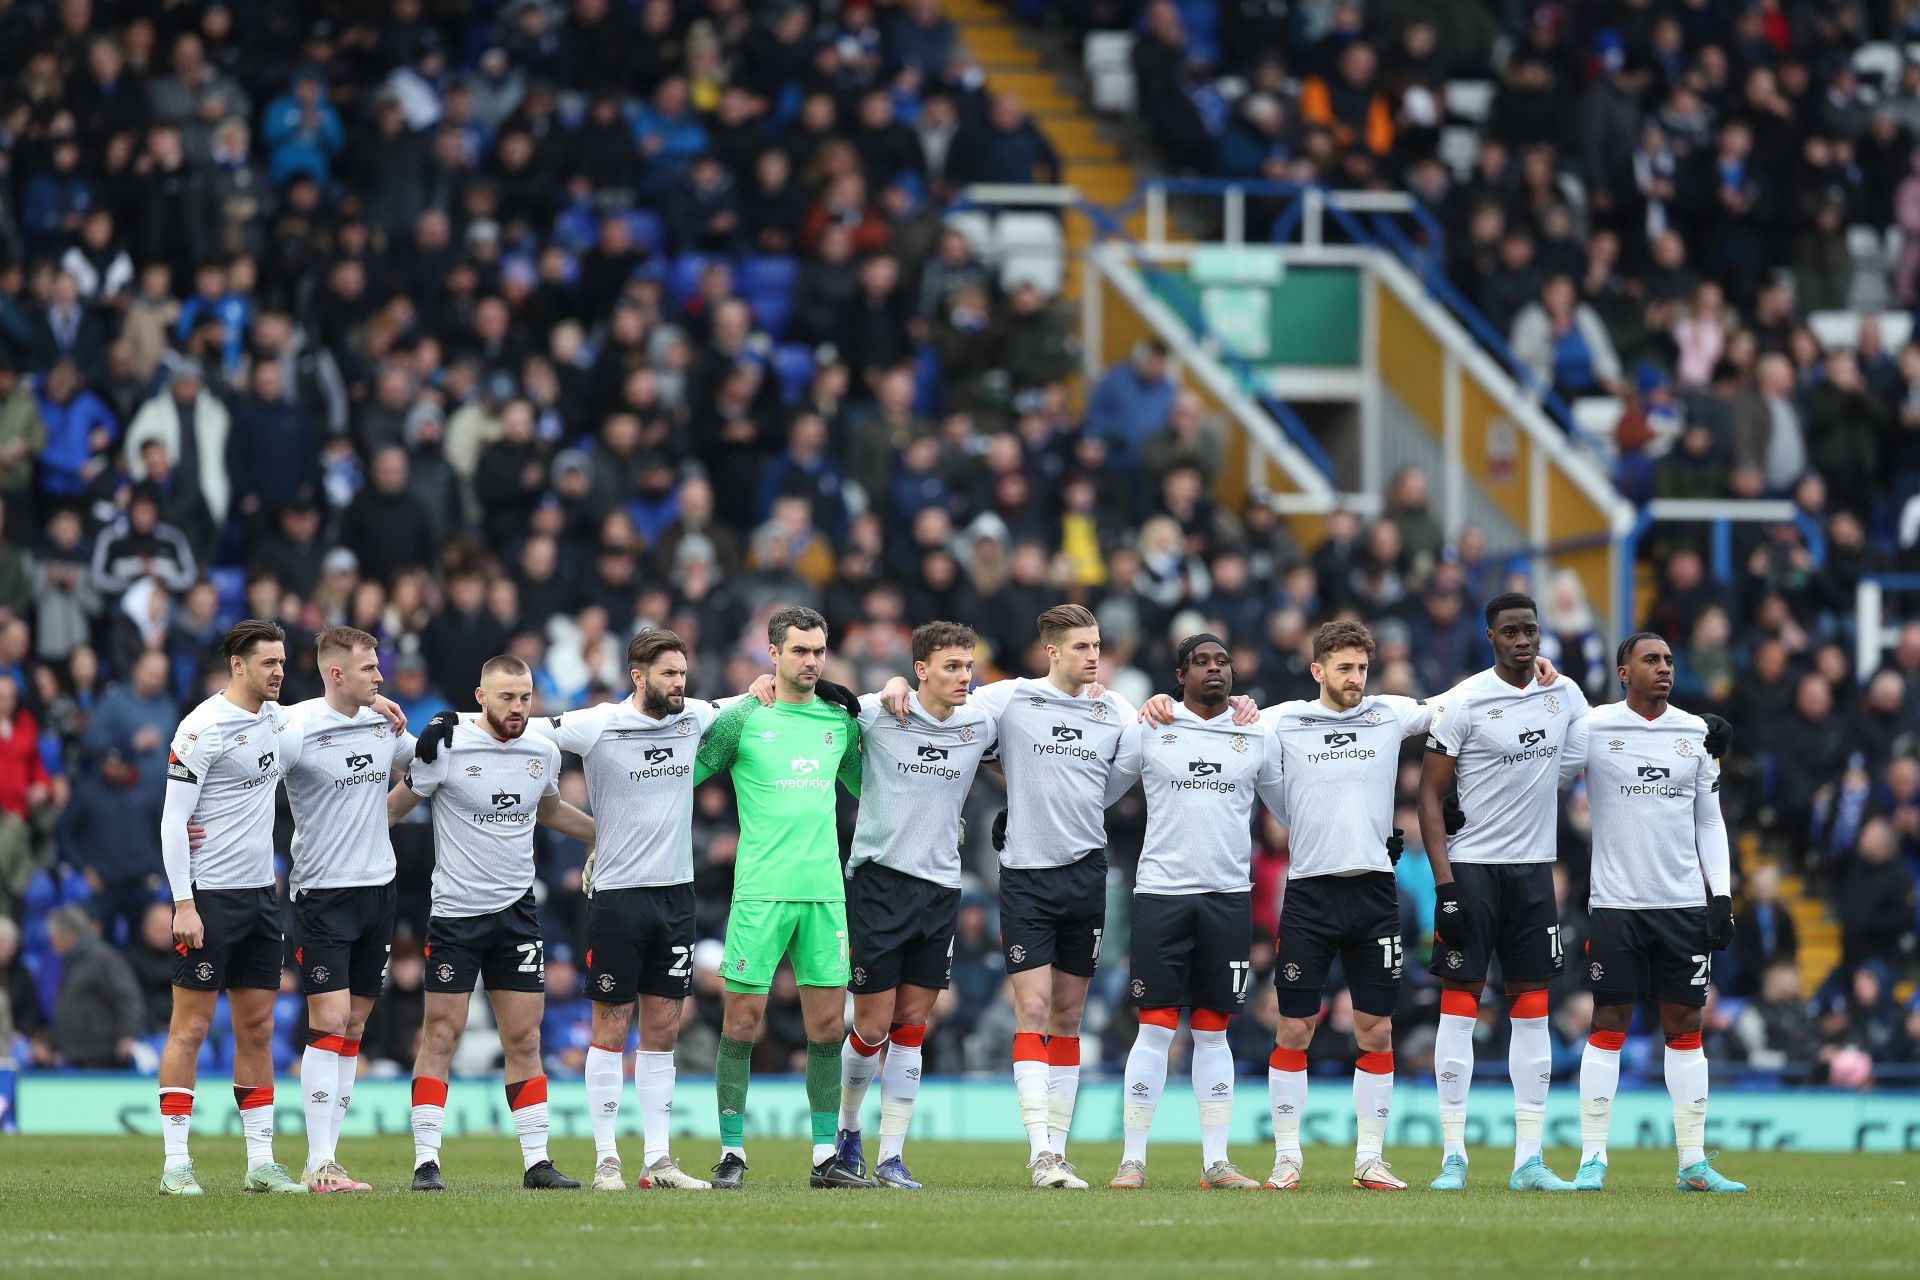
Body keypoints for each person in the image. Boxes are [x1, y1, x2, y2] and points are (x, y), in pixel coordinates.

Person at [416, 629, 719, 1192]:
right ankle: (605, 1160)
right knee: (603, 1025)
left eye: (683, 673)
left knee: (662, 1028)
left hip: (667, 893)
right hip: (592, 898)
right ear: (638, 675)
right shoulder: (593, 723)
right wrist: (446, 718)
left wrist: (608, 834)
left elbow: (756, 699)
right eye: (668, 674)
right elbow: (509, 718)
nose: (679, 683)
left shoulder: (697, 715)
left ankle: (654, 1161)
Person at [882, 604, 1137, 1189]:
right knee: (1035, 1011)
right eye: (1081, 647)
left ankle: (1061, 1148)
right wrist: (900, 679)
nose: (1094, 657)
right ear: (1051, 652)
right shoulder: (1010, 699)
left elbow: (1122, 776)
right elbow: (939, 705)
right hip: (1025, 877)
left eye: (1097, 645)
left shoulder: (1115, 708)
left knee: (1070, 1016)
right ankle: (1040, 1151)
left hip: (1086, 873)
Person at [387, 654, 596, 1192]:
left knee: (524, 1037)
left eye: (525, 697)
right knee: (441, 1032)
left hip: (517, 915)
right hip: (455, 914)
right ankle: (426, 1162)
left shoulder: (542, 752)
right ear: (481, 698)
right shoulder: (447, 746)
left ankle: (537, 1163)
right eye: (507, 697)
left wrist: (604, 833)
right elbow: (394, 807)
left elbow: (548, 811)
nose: (518, 707)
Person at [1416, 592, 1594, 1192]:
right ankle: (1453, 1155)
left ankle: (1529, 1159)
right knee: (1461, 1003)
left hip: (1533, 871)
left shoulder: (1564, 694)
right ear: (1489, 636)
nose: (1523, 640)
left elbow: (1571, 760)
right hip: (1471, 871)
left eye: (1531, 630)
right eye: (1511, 631)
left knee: (1533, 1006)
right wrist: (1445, 886)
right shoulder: (1465, 702)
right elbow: (1429, 797)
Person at [1558, 633, 1745, 1193]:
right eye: (1650, 660)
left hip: (1683, 905)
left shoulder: (1696, 733)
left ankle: (1692, 1162)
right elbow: (1542, 771)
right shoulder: (1592, 728)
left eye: (1668, 659)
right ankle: (1592, 1159)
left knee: (1685, 1028)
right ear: (1622, 671)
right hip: (1616, 905)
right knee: (1607, 1026)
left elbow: (1710, 821)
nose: (1664, 668)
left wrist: (1722, 896)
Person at [692, 606, 870, 1190]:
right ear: (773, 652)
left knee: (826, 1028)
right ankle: (732, 1151)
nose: (811, 661)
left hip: (823, 894)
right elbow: (679, 774)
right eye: (799, 651)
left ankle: (824, 1157)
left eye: (819, 650)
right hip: (761, 894)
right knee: (741, 1022)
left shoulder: (839, 723)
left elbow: (877, 788)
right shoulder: (742, 719)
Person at [1101, 634, 1282, 1191]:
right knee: (1154, 1029)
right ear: (1180, 675)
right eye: (1201, 662)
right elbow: (1100, 791)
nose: (1214, 669)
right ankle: (1132, 1160)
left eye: (1222, 661)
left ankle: (1216, 1164)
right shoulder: (1150, 726)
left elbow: (1289, 807)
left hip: (1229, 898)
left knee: (1213, 1031)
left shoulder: (1256, 731)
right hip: (1162, 894)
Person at [832, 621, 997, 1189]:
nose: (964, 677)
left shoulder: (980, 721)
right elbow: (817, 696)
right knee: (873, 1025)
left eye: (968, 666)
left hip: (940, 889)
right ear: (922, 669)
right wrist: (888, 685)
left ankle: (891, 1156)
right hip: (880, 884)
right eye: (951, 666)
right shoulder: (879, 713)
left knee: (912, 1025)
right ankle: (848, 1129)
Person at [156, 620, 308, 1196]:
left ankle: (262, 1164)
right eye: (268, 662)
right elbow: (173, 821)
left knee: (259, 1028)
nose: (278, 672)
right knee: (191, 1027)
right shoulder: (201, 729)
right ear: (237, 665)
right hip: (209, 899)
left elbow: (321, 711)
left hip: (260, 897)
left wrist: (377, 699)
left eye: (282, 662)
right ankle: (176, 1165)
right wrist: (183, 903)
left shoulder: (276, 717)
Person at [273, 626, 415, 1192]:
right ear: (336, 674)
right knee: (328, 1022)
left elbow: (424, 770)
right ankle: (318, 1162)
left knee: (353, 1024)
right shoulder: (296, 726)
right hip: (322, 893)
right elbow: (252, 779)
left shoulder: (385, 722)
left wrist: (382, 820)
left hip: (378, 890)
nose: (380, 678)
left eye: (378, 669)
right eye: (368, 671)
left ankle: (328, 1159)